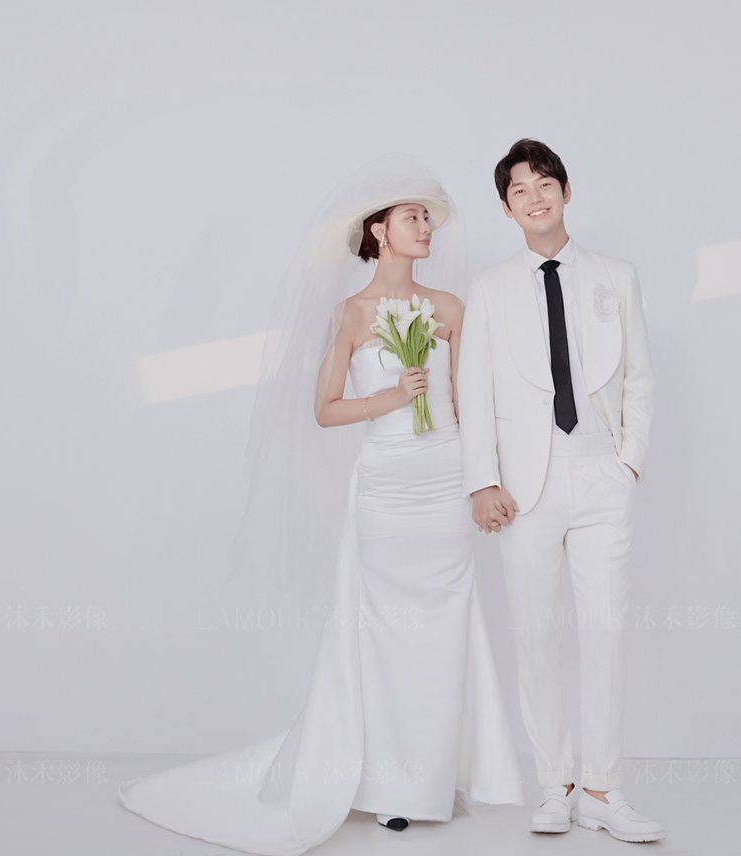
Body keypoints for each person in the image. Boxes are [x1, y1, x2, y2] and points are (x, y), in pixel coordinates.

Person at [118, 157, 523, 855]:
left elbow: (474, 405)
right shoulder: (350, 315)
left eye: (428, 217)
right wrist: (391, 398)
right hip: (387, 487)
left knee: (444, 628)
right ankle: (390, 787)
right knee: (386, 631)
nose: (426, 226)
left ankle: (432, 779)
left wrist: (484, 479)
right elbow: (325, 408)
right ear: (379, 230)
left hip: (443, 480)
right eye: (413, 217)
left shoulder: (451, 310)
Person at [456, 139, 665, 843]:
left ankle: (603, 790)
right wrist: (482, 481)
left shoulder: (616, 276)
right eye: (519, 190)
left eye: (544, 183)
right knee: (536, 636)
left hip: (601, 471)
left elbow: (640, 376)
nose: (534, 197)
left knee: (605, 631)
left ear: (566, 192)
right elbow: (474, 389)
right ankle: (556, 785)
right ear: (506, 208)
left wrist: (627, 464)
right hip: (524, 486)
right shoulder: (490, 288)